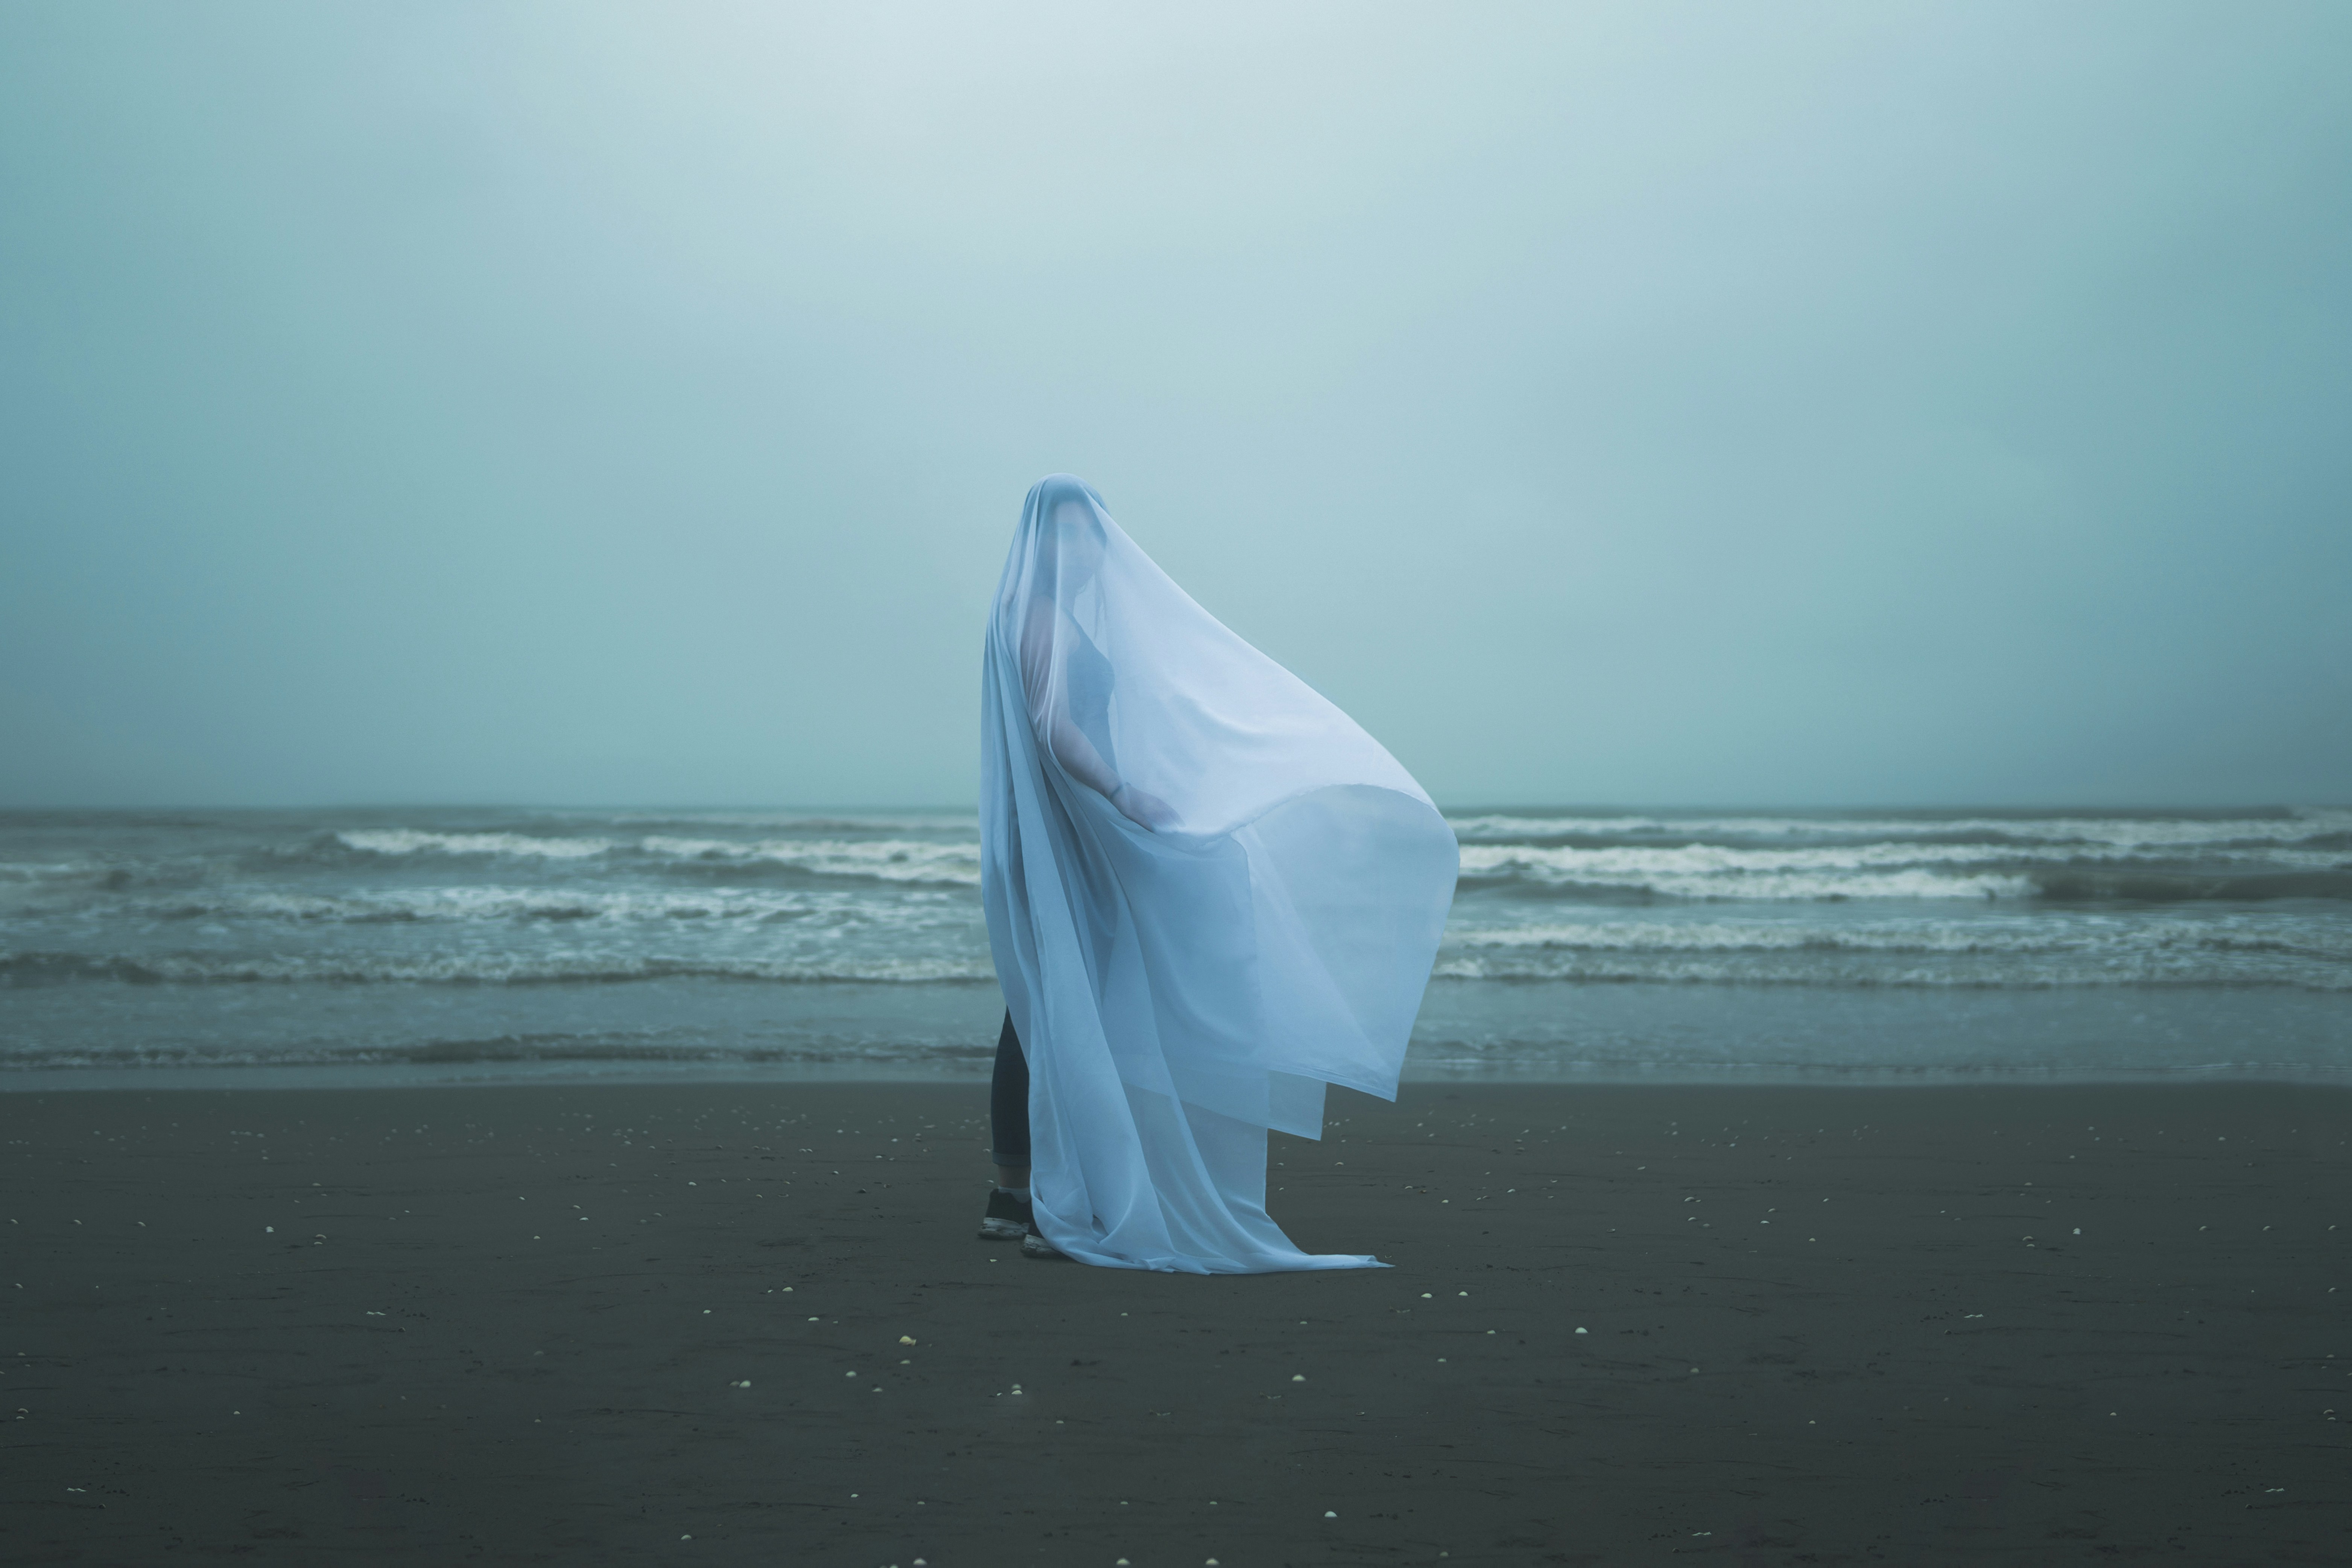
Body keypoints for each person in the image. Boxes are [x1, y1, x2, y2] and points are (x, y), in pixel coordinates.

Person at [976, 475, 1456, 1273]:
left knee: (1045, 1001)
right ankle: (1057, 1190)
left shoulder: (1036, 614)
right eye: (1067, 536)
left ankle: (1019, 1190)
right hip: (1075, 831)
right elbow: (1055, 728)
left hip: (1066, 828)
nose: (1085, 551)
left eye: (1092, 536)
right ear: (1039, 542)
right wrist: (1124, 792)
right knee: (1068, 999)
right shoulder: (1037, 616)